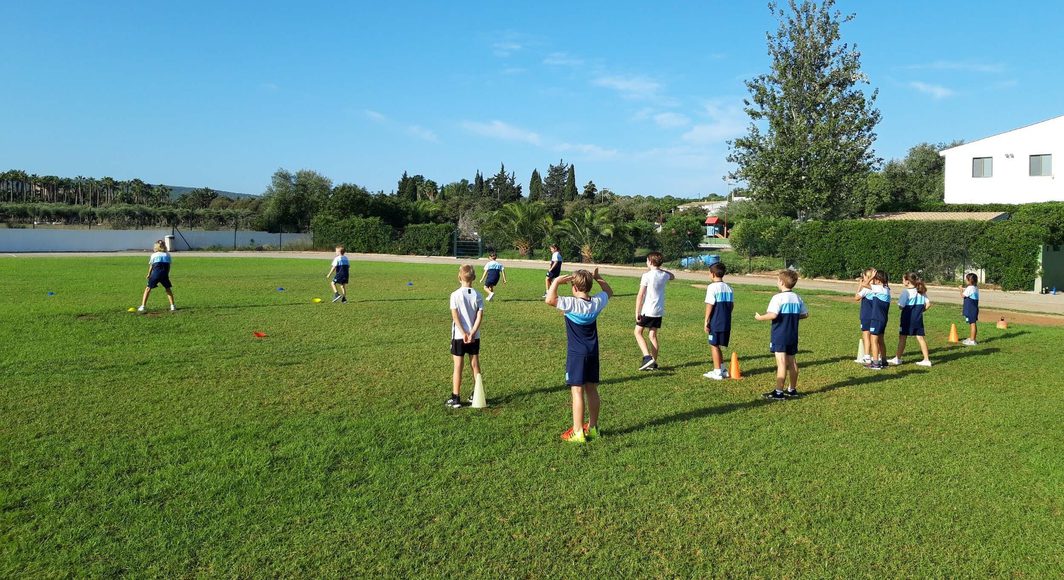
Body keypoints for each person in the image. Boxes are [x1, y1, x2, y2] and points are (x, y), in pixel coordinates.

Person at [546, 268, 613, 444]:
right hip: (593, 353)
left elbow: (550, 299)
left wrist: (556, 282)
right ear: (589, 286)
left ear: (574, 288)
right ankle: (593, 427)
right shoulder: (596, 302)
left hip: (577, 354)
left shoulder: (571, 303)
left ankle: (577, 432)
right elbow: (608, 292)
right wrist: (599, 278)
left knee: (577, 391)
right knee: (591, 389)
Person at [754, 270, 809, 401]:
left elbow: (773, 315)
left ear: (782, 282)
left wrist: (760, 317)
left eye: (778, 280)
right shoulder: (797, 297)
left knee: (782, 363)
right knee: (792, 361)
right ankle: (792, 389)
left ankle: (778, 392)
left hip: (780, 334)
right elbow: (805, 314)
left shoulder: (777, 298)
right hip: (792, 335)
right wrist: (793, 317)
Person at [446, 265, 484, 409]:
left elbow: (455, 316)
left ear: (459, 277)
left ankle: (455, 398)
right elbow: (479, 316)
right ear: (474, 278)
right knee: (475, 365)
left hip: (459, 336)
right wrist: (472, 332)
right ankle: (476, 393)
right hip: (474, 337)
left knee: (458, 366)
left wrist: (464, 333)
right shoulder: (478, 295)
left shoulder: (455, 295)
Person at [634, 251, 675, 371]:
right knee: (652, 335)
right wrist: (663, 270)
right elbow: (672, 276)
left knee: (637, 332)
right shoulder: (663, 275)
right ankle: (654, 363)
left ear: (650, 262)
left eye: (647, 260)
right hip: (658, 310)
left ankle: (647, 357)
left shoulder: (646, 276)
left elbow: (640, 295)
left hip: (648, 310)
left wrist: (637, 312)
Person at [888, 272, 932, 367]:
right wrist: (920, 311)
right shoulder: (921, 290)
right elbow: (928, 304)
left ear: (907, 281)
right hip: (918, 319)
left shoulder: (906, 292)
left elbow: (901, 306)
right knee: (920, 338)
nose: (902, 281)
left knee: (902, 338)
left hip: (907, 319)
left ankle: (898, 358)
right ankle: (926, 359)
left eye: (903, 280)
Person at [703, 262, 735, 380]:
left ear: (713, 274)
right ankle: (722, 369)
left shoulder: (712, 287)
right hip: (726, 321)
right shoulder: (729, 287)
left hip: (716, 321)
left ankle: (717, 372)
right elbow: (731, 305)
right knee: (717, 345)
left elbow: (710, 305)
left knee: (714, 345)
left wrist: (706, 320)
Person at [857, 270, 891, 370]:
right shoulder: (886, 289)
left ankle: (875, 363)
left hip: (876, 318)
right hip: (883, 319)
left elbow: (864, 284)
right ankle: (884, 361)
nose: (873, 280)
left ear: (878, 280)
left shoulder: (878, 288)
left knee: (874, 340)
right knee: (881, 340)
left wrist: (871, 277)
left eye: (875, 279)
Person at [138, 240, 175, 312]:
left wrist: (149, 274)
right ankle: (172, 306)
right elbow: (168, 266)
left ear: (156, 247)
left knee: (148, 289)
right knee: (168, 289)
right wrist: (167, 274)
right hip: (164, 274)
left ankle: (143, 306)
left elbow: (152, 265)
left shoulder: (154, 255)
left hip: (155, 274)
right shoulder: (167, 255)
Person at [853, 268, 877, 365]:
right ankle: (876, 355)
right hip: (876, 315)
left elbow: (856, 297)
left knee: (866, 335)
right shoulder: (877, 288)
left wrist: (859, 286)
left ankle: (867, 355)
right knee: (875, 336)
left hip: (866, 315)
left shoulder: (866, 289)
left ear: (867, 277)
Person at [961, 272, 979, 345]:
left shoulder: (970, 288)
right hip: (973, 308)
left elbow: (963, 295)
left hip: (971, 309)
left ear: (970, 280)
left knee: (972, 323)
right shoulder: (975, 288)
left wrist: (960, 289)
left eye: (966, 279)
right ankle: (972, 338)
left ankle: (972, 341)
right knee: (973, 323)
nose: (965, 281)